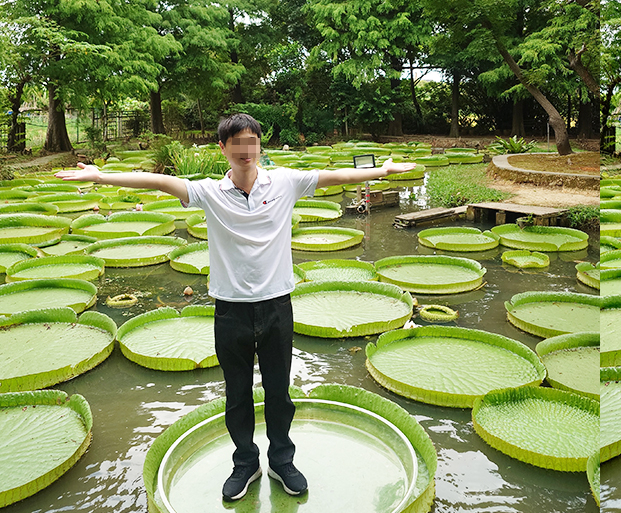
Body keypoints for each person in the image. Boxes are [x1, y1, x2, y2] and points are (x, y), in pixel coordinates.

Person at [56, 113, 418, 500]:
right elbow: (159, 181)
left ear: (260, 145)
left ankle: (282, 461)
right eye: (237, 143)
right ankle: (245, 462)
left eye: (253, 141)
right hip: (230, 311)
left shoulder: (285, 182)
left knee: (279, 393)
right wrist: (99, 176)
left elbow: (338, 178)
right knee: (237, 394)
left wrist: (382, 170)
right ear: (223, 148)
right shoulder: (210, 192)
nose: (246, 150)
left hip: (277, 306)